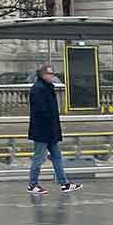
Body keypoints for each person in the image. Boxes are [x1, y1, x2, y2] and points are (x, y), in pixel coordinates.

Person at [28, 64, 81, 194]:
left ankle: (64, 183)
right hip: (42, 131)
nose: (52, 76)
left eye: (52, 74)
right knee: (39, 158)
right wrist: (51, 127)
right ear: (42, 75)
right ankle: (32, 184)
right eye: (49, 74)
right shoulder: (38, 89)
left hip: (50, 131)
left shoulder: (47, 87)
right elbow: (40, 112)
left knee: (57, 156)